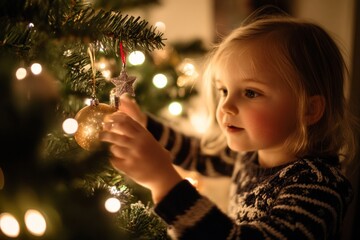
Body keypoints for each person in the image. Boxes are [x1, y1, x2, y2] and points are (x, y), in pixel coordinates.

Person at [99, 8, 357, 240]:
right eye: (223, 91)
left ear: (309, 109)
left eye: (251, 93)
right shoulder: (250, 156)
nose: (226, 107)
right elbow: (197, 154)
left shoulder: (317, 187)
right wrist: (145, 124)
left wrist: (163, 182)